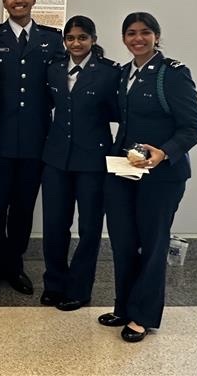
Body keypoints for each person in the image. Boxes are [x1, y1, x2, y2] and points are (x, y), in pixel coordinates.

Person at [99, 12, 197, 342]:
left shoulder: (172, 74)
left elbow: (194, 126)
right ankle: (124, 307)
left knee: (153, 243)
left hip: (161, 177)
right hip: (123, 170)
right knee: (123, 241)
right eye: (131, 33)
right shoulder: (123, 74)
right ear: (123, 38)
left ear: (157, 36)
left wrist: (164, 152)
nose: (138, 39)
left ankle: (142, 316)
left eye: (145, 33)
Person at [0, 0, 64, 295]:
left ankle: (14, 265)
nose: (18, 0)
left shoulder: (52, 39)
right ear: (4, 1)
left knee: (24, 208)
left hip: (35, 141)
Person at [40, 16, 120, 311]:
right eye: (71, 38)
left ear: (93, 40)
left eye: (82, 38)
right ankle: (54, 284)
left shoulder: (110, 73)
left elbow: (119, 114)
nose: (76, 43)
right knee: (54, 225)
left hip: (92, 161)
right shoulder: (54, 69)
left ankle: (79, 288)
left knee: (89, 228)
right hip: (56, 158)